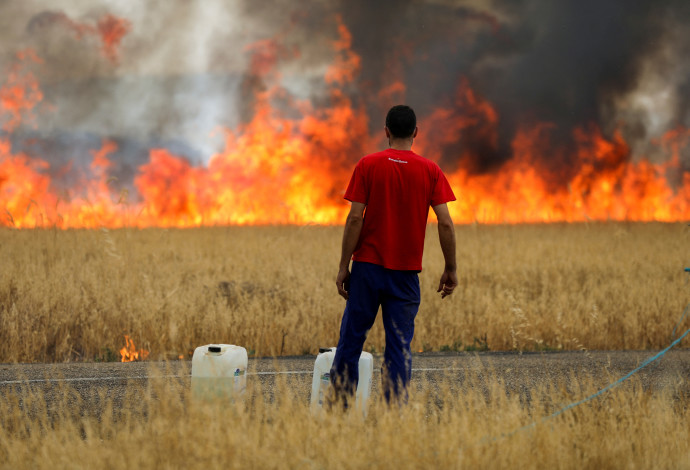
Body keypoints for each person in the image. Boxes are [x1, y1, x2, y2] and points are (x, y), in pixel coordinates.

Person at [329, 104, 458, 407]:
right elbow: (446, 222)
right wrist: (450, 268)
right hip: (405, 275)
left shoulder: (367, 165)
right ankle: (394, 416)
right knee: (399, 348)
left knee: (351, 340)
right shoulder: (431, 170)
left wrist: (343, 265)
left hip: (367, 270)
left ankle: (339, 413)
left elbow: (355, 218)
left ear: (385, 131)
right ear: (416, 132)